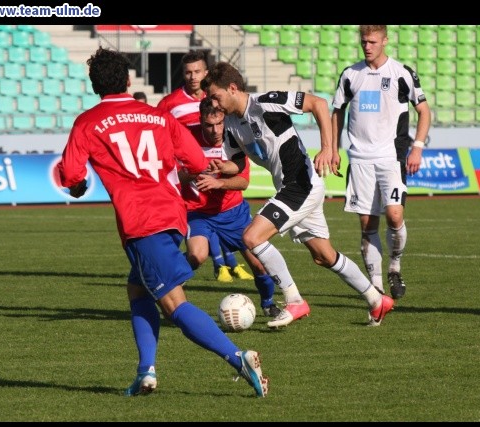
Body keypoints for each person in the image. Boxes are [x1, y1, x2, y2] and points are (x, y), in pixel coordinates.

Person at [57, 47, 269, 398]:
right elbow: (196, 160)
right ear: (128, 81)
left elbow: (72, 177)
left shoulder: (88, 122)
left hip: (142, 221)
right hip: (172, 215)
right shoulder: (158, 117)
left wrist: (79, 184)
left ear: (95, 85)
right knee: (138, 290)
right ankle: (146, 371)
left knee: (174, 304)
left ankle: (239, 357)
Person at [202, 62, 395, 329]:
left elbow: (318, 104)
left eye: (215, 96)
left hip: (300, 184)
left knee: (251, 237)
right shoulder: (232, 126)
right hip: (289, 188)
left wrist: (328, 149)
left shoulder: (266, 103)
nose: (213, 103)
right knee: (324, 256)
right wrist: (225, 169)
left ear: (232, 88)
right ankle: (377, 300)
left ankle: (294, 301)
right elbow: (239, 164)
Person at [331, 25, 431, 300]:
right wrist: (333, 148)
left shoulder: (402, 73)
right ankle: (376, 286)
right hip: (360, 159)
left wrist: (417, 148)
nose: (367, 46)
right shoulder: (351, 75)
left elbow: (424, 111)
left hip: (391, 157)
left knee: (395, 215)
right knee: (367, 224)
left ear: (385, 41)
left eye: (373, 41)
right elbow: (337, 111)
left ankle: (395, 266)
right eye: (364, 41)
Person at [179, 97, 281, 318]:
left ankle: (268, 304)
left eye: (219, 123)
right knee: (196, 256)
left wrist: (219, 182)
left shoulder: (234, 137)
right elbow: (175, 176)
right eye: (209, 124)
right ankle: (171, 282)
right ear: (200, 120)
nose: (215, 130)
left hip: (233, 213)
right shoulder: (186, 138)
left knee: (260, 264)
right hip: (198, 213)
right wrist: (194, 172)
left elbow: (244, 182)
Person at [158, 49, 253, 283]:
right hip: (194, 190)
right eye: (188, 72)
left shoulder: (220, 102)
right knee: (197, 250)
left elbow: (241, 177)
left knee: (256, 255)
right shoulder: (169, 104)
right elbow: (160, 138)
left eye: (197, 71)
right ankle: (168, 280)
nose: (193, 77)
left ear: (206, 72)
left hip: (224, 188)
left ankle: (228, 265)